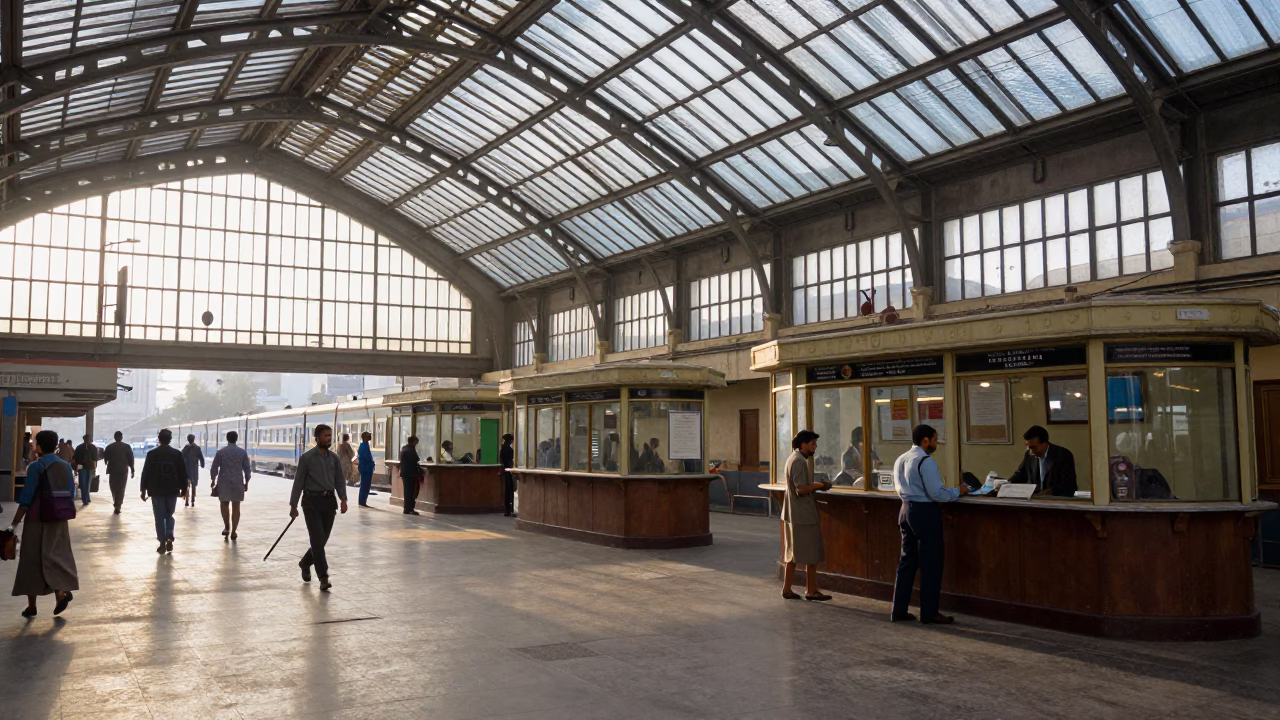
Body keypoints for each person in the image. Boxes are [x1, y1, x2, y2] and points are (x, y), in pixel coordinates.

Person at [890, 424, 968, 625]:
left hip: (905, 510)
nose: (936, 443)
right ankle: (930, 612)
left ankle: (898, 610)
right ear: (926, 440)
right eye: (934, 439)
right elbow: (937, 493)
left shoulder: (901, 459)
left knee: (907, 562)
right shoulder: (925, 461)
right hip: (925, 513)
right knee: (931, 563)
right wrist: (958, 491)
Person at [6, 430, 79, 618]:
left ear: (39, 446)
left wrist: (14, 523)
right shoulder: (65, 467)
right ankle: (60, 594)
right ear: (55, 445)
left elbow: (26, 499)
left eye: (35, 443)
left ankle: (32, 606)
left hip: (37, 520)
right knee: (55, 556)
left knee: (31, 559)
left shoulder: (36, 467)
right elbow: (70, 493)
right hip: (59, 518)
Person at [289, 424, 348, 591]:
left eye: (330, 436)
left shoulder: (334, 458)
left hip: (329, 502)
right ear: (317, 438)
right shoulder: (307, 458)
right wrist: (293, 504)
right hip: (311, 502)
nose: (328, 438)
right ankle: (323, 576)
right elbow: (298, 481)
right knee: (316, 539)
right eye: (325, 436)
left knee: (322, 540)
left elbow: (339, 479)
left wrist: (343, 499)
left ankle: (305, 562)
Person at [781, 430, 831, 602]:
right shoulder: (799, 461)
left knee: (792, 553)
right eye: (813, 445)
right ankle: (811, 590)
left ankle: (787, 588)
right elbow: (801, 489)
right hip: (803, 515)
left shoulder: (792, 458)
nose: (815, 448)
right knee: (812, 553)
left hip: (793, 513)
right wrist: (821, 485)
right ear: (803, 444)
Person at [140, 429, 188, 554]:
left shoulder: (152, 454)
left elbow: (146, 472)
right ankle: (169, 535)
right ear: (170, 440)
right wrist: (184, 488)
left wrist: (143, 489)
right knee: (169, 514)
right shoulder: (177, 454)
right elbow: (183, 472)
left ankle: (162, 542)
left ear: (159, 439)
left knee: (159, 517)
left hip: (156, 490)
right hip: (172, 489)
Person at [1007, 425, 1077, 497]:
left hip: (1057, 501)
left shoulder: (1063, 455)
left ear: (1044, 444)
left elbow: (1068, 485)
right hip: (1036, 501)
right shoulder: (1029, 455)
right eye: (1027, 446)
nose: (1030, 451)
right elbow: (1021, 474)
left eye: (1033, 447)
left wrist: (1049, 492)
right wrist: (1007, 484)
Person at [209, 431, 251, 540]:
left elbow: (214, 468)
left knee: (224, 504)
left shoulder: (221, 452)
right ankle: (234, 531)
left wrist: (213, 480)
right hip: (238, 482)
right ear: (236, 439)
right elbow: (247, 469)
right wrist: (246, 482)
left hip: (224, 482)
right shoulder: (242, 453)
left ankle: (227, 527)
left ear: (227, 439)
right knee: (236, 507)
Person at [103, 431, 135, 514]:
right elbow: (131, 459)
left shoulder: (109, 447)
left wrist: (107, 461)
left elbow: (105, 458)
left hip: (113, 470)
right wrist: (132, 469)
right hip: (123, 470)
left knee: (113, 487)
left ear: (114, 437)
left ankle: (116, 502)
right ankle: (118, 505)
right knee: (121, 488)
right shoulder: (127, 447)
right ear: (121, 437)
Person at [399, 436, 423, 515]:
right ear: (413, 442)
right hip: (410, 474)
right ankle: (410, 508)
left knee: (407, 491)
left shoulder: (404, 448)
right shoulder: (410, 450)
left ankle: (407, 508)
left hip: (405, 473)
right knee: (411, 492)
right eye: (416, 442)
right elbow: (416, 460)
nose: (417, 444)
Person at [72, 435, 98, 505]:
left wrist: (76, 468)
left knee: (82, 482)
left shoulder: (79, 447)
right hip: (90, 466)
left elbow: (75, 458)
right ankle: (87, 498)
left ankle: (85, 499)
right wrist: (95, 468)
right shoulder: (93, 447)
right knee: (88, 482)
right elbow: (95, 458)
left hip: (81, 465)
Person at [181, 434, 205, 508]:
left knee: (190, 484)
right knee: (191, 484)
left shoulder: (187, 448)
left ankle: (190, 499)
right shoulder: (195, 448)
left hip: (190, 468)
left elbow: (181, 456)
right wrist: (202, 464)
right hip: (190, 468)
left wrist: (202, 463)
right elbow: (201, 457)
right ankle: (189, 500)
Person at [357, 431, 375, 508]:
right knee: (365, 485)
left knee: (365, 485)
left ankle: (363, 500)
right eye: (368, 436)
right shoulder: (364, 446)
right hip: (366, 468)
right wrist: (371, 463)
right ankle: (362, 501)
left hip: (366, 468)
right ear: (364, 437)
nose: (370, 437)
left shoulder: (365, 445)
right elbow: (366, 458)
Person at [500, 433, 516, 517]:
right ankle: (510, 509)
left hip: (503, 471)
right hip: (508, 471)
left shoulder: (501, 448)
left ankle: (507, 510)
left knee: (506, 491)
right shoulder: (509, 449)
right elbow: (510, 461)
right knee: (509, 491)